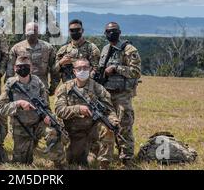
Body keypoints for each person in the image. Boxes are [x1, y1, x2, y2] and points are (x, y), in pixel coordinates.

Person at [0, 56, 66, 167]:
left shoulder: (37, 81)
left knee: (53, 132)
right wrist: (18, 103)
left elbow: (45, 104)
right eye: (20, 66)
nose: (23, 68)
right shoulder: (10, 84)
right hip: (21, 127)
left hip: (38, 123)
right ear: (15, 68)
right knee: (21, 163)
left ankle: (60, 164)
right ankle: (29, 146)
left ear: (31, 68)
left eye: (26, 66)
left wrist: (47, 115)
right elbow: (2, 108)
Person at [55, 59, 119, 169]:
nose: (82, 70)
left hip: (91, 131)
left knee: (108, 129)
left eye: (85, 68)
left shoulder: (98, 88)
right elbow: (59, 110)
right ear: (74, 71)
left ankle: (104, 164)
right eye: (79, 68)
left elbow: (109, 110)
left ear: (90, 69)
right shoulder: (65, 88)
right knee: (73, 160)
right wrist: (78, 109)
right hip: (72, 131)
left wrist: (113, 120)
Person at [97, 22, 141, 167]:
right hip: (106, 94)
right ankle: (108, 156)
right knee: (107, 125)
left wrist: (116, 68)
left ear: (120, 32)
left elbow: (135, 72)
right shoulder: (104, 49)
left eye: (114, 31)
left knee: (124, 126)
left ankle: (127, 159)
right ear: (105, 33)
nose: (111, 33)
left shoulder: (129, 49)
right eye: (108, 31)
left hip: (122, 95)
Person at [6, 22, 60, 95]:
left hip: (41, 88)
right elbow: (10, 70)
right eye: (29, 30)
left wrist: (53, 87)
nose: (31, 33)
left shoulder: (48, 48)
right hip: (20, 88)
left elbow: (54, 69)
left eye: (34, 30)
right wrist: (9, 87)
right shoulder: (16, 48)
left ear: (38, 32)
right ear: (25, 32)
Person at [55, 19, 100, 84]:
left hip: (86, 87)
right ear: (69, 31)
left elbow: (97, 70)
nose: (75, 32)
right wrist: (61, 63)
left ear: (82, 30)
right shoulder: (63, 50)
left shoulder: (92, 48)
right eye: (72, 30)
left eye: (77, 29)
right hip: (67, 87)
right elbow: (54, 71)